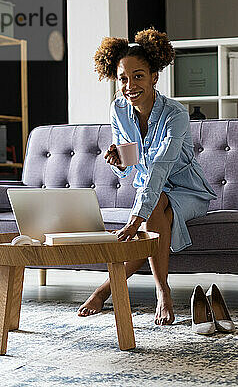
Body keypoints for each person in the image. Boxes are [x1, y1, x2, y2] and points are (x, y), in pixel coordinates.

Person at [77, 28, 217, 325]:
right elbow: (130, 162)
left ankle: (141, 290)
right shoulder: (118, 110)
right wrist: (117, 163)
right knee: (156, 214)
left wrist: (136, 217)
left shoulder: (175, 114)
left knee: (152, 212)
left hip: (187, 191)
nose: (129, 85)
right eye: (123, 78)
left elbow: (160, 166)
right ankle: (145, 290)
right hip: (150, 192)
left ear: (154, 76)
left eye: (138, 76)